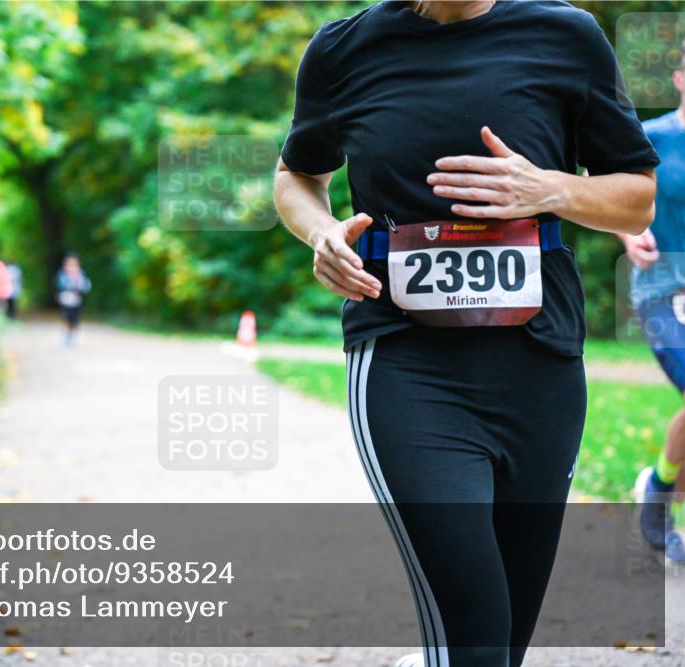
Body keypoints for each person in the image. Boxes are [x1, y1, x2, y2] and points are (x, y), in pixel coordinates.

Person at [274, 2, 658, 666]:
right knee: (474, 629)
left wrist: (550, 188)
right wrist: (322, 232)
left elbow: (636, 195)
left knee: (505, 638)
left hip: (541, 366)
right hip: (405, 363)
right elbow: (296, 175)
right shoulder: (343, 50)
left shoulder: (565, 36)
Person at [620, 41, 685, 565]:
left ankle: (659, 491)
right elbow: (613, 190)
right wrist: (628, 231)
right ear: (680, 79)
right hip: (663, 287)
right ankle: (660, 495)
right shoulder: (653, 137)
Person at [56, 253, 91, 346]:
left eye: (74, 264)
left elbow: (85, 286)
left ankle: (72, 337)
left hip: (76, 300)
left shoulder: (81, 274)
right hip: (66, 299)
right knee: (66, 318)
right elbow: (60, 286)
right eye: (70, 264)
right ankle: (66, 337)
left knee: (75, 320)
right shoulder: (63, 274)